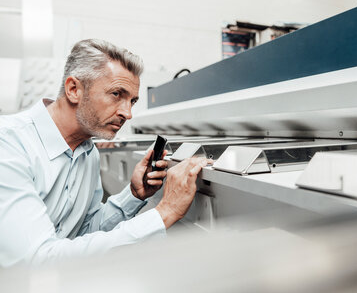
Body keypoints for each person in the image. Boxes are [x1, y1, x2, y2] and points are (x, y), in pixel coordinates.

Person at [0, 39, 211, 267]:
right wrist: (165, 212)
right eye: (116, 94)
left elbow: (85, 231)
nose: (128, 113)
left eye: (133, 101)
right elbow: (36, 261)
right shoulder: (10, 144)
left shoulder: (88, 152)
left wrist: (133, 195)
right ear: (74, 90)